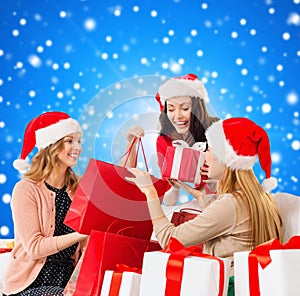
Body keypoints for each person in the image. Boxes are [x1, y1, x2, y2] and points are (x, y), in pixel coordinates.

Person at [126, 117, 282, 296]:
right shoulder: (260, 198)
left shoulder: (231, 204)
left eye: (209, 149)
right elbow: (230, 221)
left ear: (225, 159)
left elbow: (170, 240)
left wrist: (150, 192)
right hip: (246, 285)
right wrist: (200, 196)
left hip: (225, 288)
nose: (204, 155)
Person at [3, 111, 88, 296]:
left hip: (67, 285)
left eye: (79, 141)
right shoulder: (26, 190)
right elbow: (35, 247)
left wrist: (131, 146)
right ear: (52, 145)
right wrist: (80, 234)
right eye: (70, 141)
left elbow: (111, 192)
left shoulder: (78, 188)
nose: (78, 148)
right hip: (29, 286)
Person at [124, 73, 219, 205]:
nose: (177, 116)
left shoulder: (216, 130)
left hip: (222, 205)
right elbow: (168, 202)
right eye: (171, 109)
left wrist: (217, 176)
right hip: (197, 208)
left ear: (197, 108)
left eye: (185, 108)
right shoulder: (165, 141)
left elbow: (236, 183)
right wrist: (175, 186)